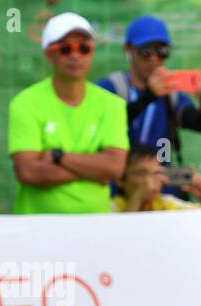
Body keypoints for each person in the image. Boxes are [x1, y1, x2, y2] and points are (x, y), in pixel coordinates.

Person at [8, 13, 127, 215]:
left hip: (95, 229)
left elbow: (114, 168)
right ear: (48, 54)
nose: (75, 55)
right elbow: (28, 172)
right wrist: (95, 171)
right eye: (65, 49)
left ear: (93, 51)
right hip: (37, 230)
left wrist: (58, 156)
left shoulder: (112, 104)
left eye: (84, 48)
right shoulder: (24, 102)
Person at [99, 16, 201, 175]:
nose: (154, 59)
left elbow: (199, 124)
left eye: (162, 52)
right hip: (120, 183)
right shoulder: (111, 87)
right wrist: (148, 96)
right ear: (128, 50)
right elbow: (107, 127)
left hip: (161, 183)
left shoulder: (171, 93)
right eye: (145, 52)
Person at [112, 146, 201, 212]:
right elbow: (117, 240)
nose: (150, 181)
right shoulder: (109, 208)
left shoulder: (168, 205)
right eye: (142, 173)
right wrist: (137, 199)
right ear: (120, 180)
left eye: (156, 173)